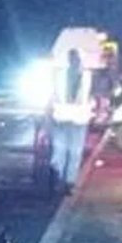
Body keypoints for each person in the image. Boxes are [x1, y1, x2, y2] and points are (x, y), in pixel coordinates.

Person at [49, 48, 92, 191]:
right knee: (70, 151)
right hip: (71, 117)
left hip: (68, 117)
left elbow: (53, 95)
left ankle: (61, 181)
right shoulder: (85, 76)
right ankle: (65, 181)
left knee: (66, 151)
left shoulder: (62, 75)